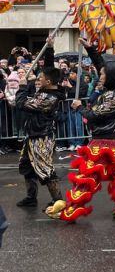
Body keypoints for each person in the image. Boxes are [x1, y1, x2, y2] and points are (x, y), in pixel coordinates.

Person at [47, 38, 115, 221]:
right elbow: (102, 66)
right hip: (113, 140)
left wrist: (78, 107)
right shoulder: (113, 88)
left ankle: (71, 210)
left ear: (112, 76)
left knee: (87, 176)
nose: (101, 75)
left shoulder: (113, 96)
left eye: (104, 74)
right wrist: (90, 48)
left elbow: (94, 115)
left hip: (102, 142)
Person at [15, 39, 65, 210]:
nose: (38, 78)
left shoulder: (49, 97)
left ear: (48, 82)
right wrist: (50, 49)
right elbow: (49, 70)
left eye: (41, 78)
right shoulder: (47, 88)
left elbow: (22, 104)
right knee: (26, 167)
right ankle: (31, 197)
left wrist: (21, 88)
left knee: (45, 169)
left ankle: (58, 200)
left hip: (42, 137)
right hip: (32, 136)